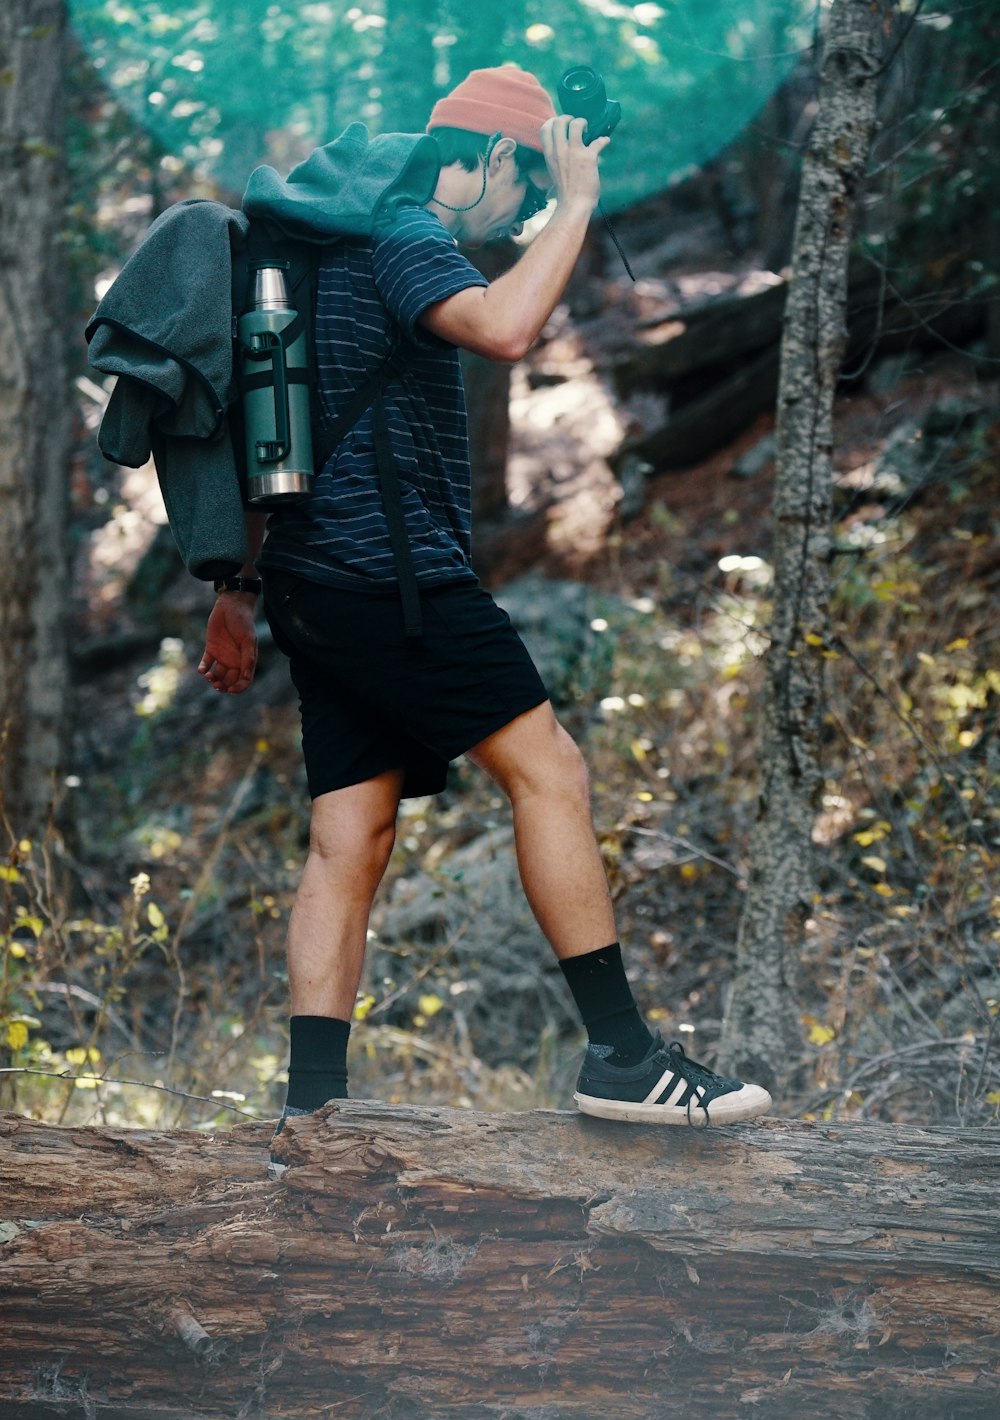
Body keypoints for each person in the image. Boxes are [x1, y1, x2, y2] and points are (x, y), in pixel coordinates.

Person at [197, 65, 771, 1132]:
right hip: (393, 580)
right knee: (548, 770)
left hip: (312, 583)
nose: (515, 218)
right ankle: (620, 1054)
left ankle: (311, 1112)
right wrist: (583, 202)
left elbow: (288, 429)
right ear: (495, 158)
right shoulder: (407, 230)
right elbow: (504, 328)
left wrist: (237, 586)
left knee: (349, 835)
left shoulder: (322, 241)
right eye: (519, 193)